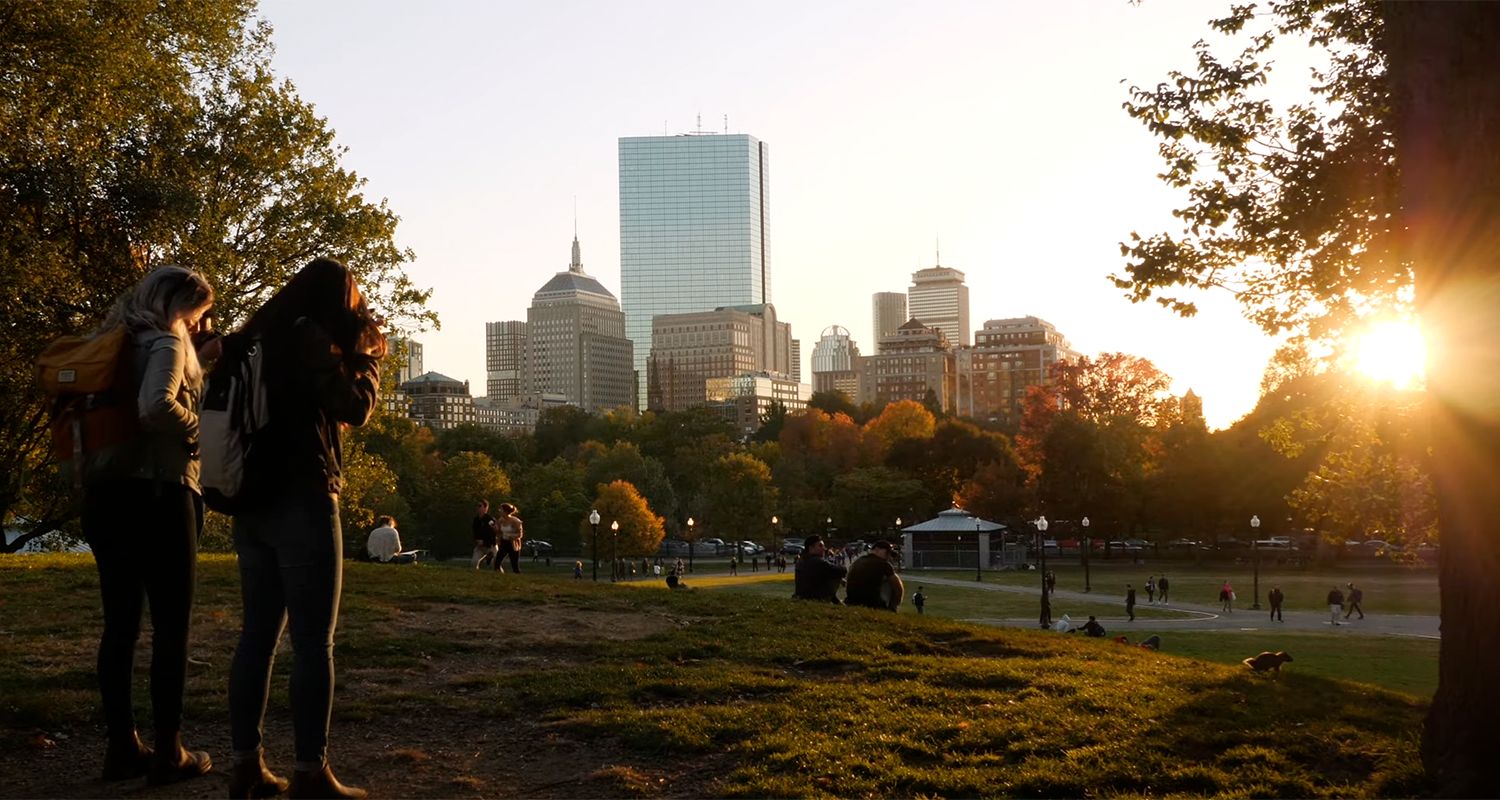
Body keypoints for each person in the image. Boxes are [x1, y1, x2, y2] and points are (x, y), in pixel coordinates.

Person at [226, 257, 385, 799]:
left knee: (256, 638)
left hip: (250, 501)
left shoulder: (258, 337)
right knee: (314, 643)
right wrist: (361, 357)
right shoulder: (324, 344)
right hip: (303, 496)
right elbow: (356, 409)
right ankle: (310, 771)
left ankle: (245, 765)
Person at [78, 266, 216, 785]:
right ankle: (170, 750)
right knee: (171, 627)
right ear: (179, 306)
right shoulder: (165, 342)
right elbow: (155, 405)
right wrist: (197, 429)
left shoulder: (112, 342)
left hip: (105, 495)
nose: (198, 324)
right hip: (159, 494)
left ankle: (121, 746)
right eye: (197, 314)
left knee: (119, 626)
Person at [845, 540, 904, 611]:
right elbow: (898, 588)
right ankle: (890, 608)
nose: (888, 557)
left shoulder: (857, 562)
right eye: (887, 553)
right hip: (874, 604)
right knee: (890, 580)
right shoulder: (884, 565)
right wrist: (895, 605)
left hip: (852, 601)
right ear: (876, 550)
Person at [792, 535, 846, 603]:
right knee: (834, 574)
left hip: (802, 596)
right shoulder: (818, 562)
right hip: (816, 597)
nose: (824, 548)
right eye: (820, 546)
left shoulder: (801, 561)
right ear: (811, 548)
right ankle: (832, 601)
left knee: (828, 574)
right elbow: (842, 571)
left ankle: (836, 601)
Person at [495, 502, 524, 573]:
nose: (499, 511)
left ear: (505, 511)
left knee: (514, 565)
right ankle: (498, 576)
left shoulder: (515, 521)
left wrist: (511, 536)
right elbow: (498, 532)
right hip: (504, 543)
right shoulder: (501, 520)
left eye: (501, 509)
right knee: (497, 562)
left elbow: (520, 534)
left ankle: (518, 578)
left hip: (513, 544)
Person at [471, 500, 498, 570]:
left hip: (490, 546)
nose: (478, 507)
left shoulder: (489, 519)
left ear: (486, 508)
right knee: (474, 562)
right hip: (480, 546)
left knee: (495, 564)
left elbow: (495, 530)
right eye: (477, 506)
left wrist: (485, 541)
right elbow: (475, 532)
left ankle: (500, 577)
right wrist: (477, 540)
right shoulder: (476, 520)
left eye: (480, 506)